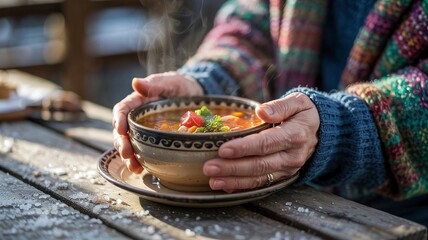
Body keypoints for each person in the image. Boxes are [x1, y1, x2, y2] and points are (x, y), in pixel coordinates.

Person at [113, 0, 428, 226]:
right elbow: (256, 18)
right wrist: (208, 80)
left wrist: (344, 130)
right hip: (277, 201)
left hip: (400, 219)